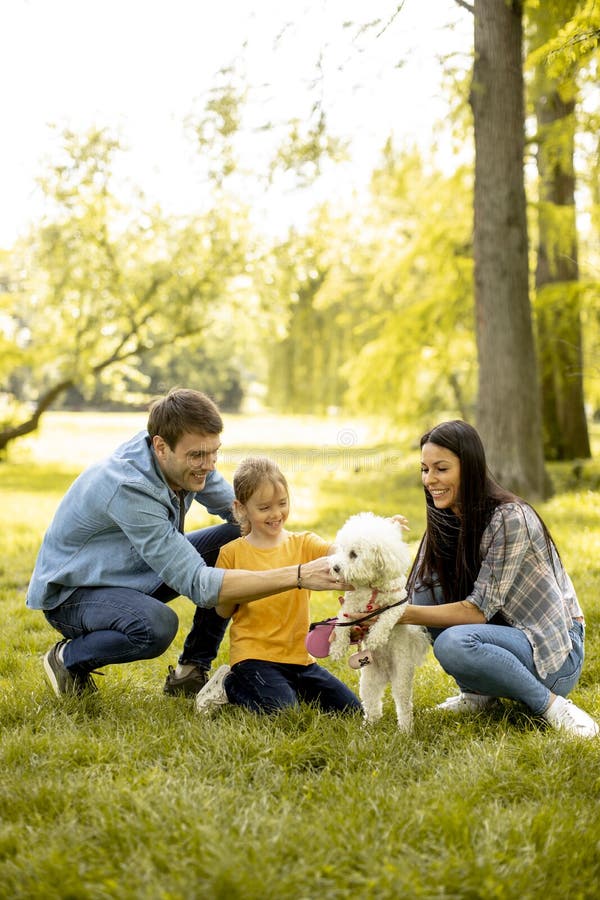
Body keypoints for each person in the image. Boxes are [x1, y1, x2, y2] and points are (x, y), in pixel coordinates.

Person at [26, 389, 346, 698]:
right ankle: (68, 658)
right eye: (197, 455)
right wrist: (300, 574)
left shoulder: (182, 458)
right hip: (74, 594)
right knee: (155, 625)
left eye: (214, 452)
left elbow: (243, 515)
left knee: (238, 533)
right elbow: (199, 584)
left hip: (130, 572)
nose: (208, 465)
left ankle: (191, 670)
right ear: (161, 447)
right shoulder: (129, 488)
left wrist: (343, 554)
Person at [393, 419, 598, 738]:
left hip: (554, 654)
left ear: (469, 466)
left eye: (441, 469)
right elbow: (408, 595)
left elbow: (475, 612)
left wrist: (400, 615)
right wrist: (369, 610)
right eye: (424, 469)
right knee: (424, 593)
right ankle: (478, 695)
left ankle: (553, 706)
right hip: (507, 636)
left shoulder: (510, 517)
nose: (430, 480)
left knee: (453, 641)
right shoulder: (446, 519)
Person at [194, 456, 361, 715]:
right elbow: (223, 612)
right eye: (264, 508)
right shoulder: (232, 553)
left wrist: (374, 536)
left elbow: (340, 553)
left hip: (300, 661)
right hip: (253, 658)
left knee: (351, 711)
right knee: (283, 713)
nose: (276, 514)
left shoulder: (304, 543)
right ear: (241, 508)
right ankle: (229, 684)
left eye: (282, 504)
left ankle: (284, 688)